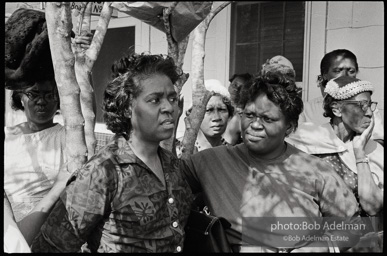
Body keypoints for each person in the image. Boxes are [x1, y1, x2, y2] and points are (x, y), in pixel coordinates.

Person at [180, 73, 362, 252]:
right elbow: (163, 185)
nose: (255, 125)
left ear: (289, 127)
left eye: (268, 119)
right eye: (249, 115)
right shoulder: (209, 162)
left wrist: (316, 249)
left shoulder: (316, 171)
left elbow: (353, 227)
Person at [31, 53, 194, 253]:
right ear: (127, 108)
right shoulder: (103, 172)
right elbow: (51, 245)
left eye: (172, 98)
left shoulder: (173, 165)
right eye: (155, 100)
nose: (169, 107)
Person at [4, 8, 92, 246]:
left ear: (59, 99)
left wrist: (80, 58)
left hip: (54, 234)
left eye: (49, 94)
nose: (41, 101)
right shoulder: (7, 138)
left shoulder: (69, 138)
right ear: (20, 98)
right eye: (34, 94)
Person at [286, 76, 383, 218]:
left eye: (370, 105)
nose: (369, 112)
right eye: (362, 105)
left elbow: (372, 208)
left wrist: (360, 153)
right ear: (337, 110)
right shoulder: (307, 137)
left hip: (360, 235)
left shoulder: (374, 150)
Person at [299, 49, 384, 146]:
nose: (345, 75)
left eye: (351, 71)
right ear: (324, 75)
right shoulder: (305, 109)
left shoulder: (368, 108)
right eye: (337, 71)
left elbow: (378, 141)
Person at [176, 79, 233, 158]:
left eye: (221, 110)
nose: (216, 117)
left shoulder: (233, 154)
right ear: (195, 115)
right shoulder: (180, 150)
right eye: (209, 110)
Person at [223, 73, 252, 145]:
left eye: (241, 87)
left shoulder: (243, 114)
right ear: (229, 85)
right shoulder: (221, 105)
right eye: (234, 85)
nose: (236, 89)